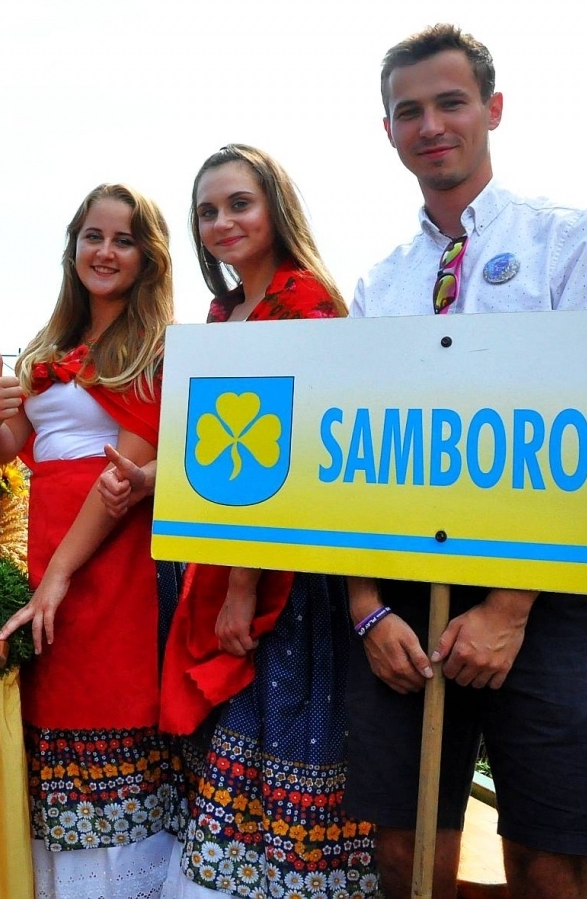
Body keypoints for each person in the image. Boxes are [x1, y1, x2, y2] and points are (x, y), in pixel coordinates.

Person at [344, 24, 587, 899]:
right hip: (406, 594)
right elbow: (351, 465)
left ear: (492, 110)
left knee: (550, 868)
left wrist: (509, 607)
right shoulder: (380, 285)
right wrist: (365, 610)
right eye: (409, 111)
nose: (430, 124)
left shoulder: (575, 241)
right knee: (405, 862)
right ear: (389, 130)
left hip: (547, 592)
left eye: (449, 102)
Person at [150, 144, 378, 898]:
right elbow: (221, 454)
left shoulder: (305, 301)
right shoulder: (225, 311)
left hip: (288, 570)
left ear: (276, 206)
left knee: (285, 725)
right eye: (208, 211)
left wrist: (243, 585)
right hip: (230, 556)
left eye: (238, 204)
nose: (222, 222)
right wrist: (157, 475)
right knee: (239, 738)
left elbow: (292, 461)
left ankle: (291, 878)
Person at [0, 183, 179, 899]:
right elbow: (7, 449)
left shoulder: (152, 348)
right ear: (74, 247)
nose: (106, 250)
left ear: (148, 256)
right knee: (51, 706)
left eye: (124, 239)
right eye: (94, 235)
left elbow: (123, 476)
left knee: (103, 701)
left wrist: (60, 574)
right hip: (47, 545)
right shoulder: (53, 345)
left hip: (109, 555)